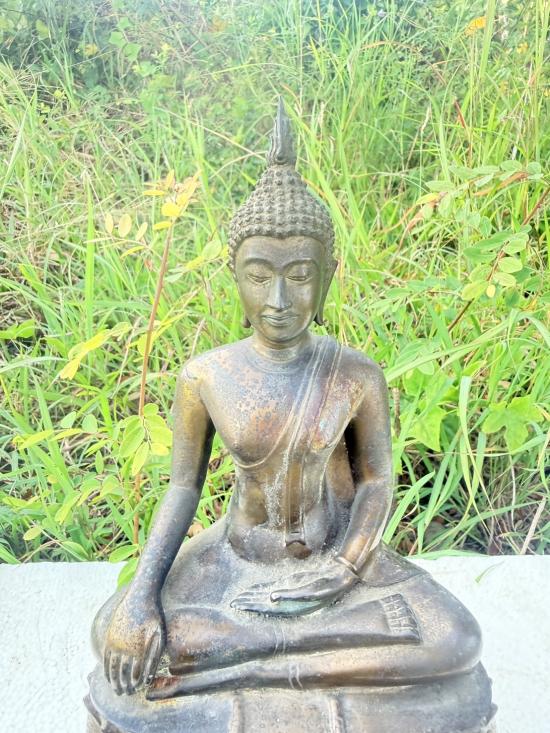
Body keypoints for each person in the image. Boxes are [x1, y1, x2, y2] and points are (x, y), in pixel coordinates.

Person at [87, 99, 495, 733]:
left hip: (334, 559)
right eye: (259, 276)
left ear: (328, 276)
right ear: (235, 277)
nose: (279, 299)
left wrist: (344, 569)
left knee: (455, 637)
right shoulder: (206, 376)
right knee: (113, 630)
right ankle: (285, 656)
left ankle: (242, 653)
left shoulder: (354, 373)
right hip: (234, 560)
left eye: (300, 275)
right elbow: (183, 488)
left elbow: (376, 481)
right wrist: (141, 596)